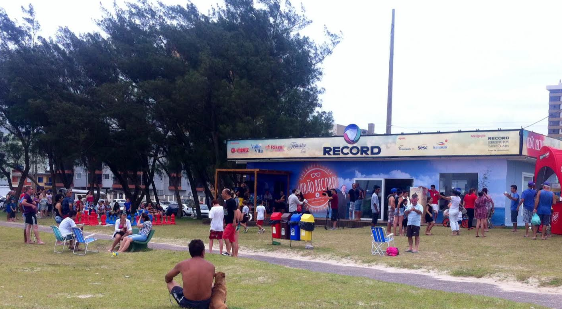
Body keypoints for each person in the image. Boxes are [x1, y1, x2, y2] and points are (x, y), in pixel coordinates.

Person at [166, 239, 216, 309]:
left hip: (187, 303)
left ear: (190, 252)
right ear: (203, 252)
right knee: (213, 284)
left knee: (170, 283)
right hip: (206, 304)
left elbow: (167, 278)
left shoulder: (182, 264)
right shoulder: (211, 266)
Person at [222, 189, 238, 257]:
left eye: (223, 193)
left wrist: (234, 220)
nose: (222, 194)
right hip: (228, 221)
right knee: (231, 238)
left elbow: (235, 211)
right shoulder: (226, 201)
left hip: (231, 222)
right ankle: (234, 254)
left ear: (226, 193)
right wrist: (224, 221)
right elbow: (225, 212)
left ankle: (228, 251)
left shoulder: (232, 201)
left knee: (225, 235)